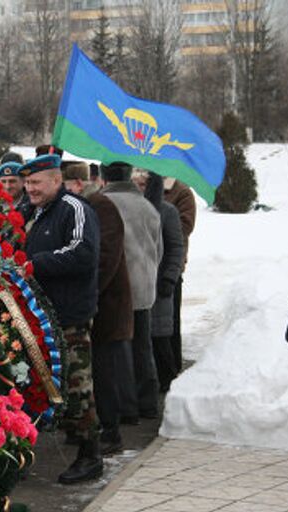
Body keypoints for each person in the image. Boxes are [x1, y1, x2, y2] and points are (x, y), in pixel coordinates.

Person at [20, 154, 102, 484]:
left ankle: (89, 455)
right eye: (27, 183)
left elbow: (83, 252)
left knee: (76, 385)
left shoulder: (75, 208)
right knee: (35, 384)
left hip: (69, 316)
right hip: (34, 315)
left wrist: (34, 263)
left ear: (57, 180)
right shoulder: (30, 211)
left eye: (36, 182)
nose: (30, 189)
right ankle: (22, 449)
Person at [62, 161, 134, 456]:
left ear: (78, 184)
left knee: (105, 374)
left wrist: (84, 294)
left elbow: (105, 259)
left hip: (106, 306)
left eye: (65, 185)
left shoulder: (100, 207)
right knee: (89, 374)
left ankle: (111, 432)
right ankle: (86, 427)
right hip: (89, 306)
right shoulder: (79, 208)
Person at [101, 162, 163, 421]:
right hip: (145, 284)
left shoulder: (103, 204)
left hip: (118, 285)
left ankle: (127, 406)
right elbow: (158, 248)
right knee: (143, 345)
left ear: (104, 177)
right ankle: (148, 402)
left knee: (119, 348)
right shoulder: (147, 206)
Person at [140, 172, 184, 392]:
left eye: (143, 183)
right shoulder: (132, 209)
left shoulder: (168, 212)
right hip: (138, 284)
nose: (139, 187)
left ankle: (168, 385)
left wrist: (169, 277)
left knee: (160, 338)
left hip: (160, 284)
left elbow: (177, 247)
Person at [163, 177, 196, 376]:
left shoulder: (182, 192)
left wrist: (161, 216)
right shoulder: (145, 186)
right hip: (150, 263)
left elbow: (186, 226)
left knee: (171, 319)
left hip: (171, 264)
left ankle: (173, 367)